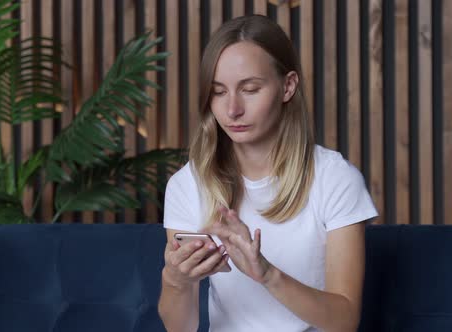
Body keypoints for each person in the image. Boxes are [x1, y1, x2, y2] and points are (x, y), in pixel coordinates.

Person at [157, 15, 378, 332]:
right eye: (218, 92)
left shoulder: (334, 178)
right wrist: (175, 280)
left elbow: (344, 322)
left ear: (288, 86)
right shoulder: (187, 185)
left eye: (249, 89)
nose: (232, 109)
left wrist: (267, 274)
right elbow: (181, 328)